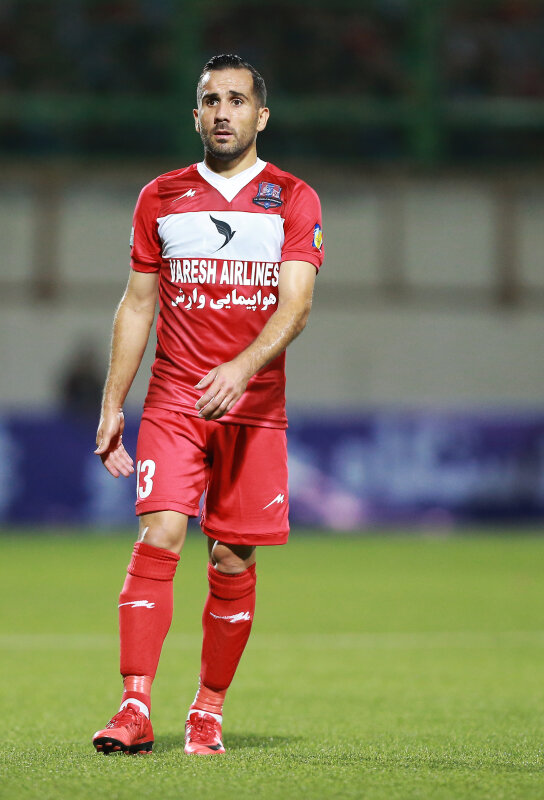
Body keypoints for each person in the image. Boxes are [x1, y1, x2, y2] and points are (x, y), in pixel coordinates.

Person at [91, 53, 324, 756]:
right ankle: (134, 708)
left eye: (237, 100)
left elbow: (296, 306)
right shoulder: (160, 196)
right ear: (195, 115)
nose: (224, 112)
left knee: (231, 558)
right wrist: (112, 403)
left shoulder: (293, 198)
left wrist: (243, 368)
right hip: (175, 401)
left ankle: (207, 711)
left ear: (262, 116)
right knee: (160, 534)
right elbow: (138, 305)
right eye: (212, 100)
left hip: (254, 410)